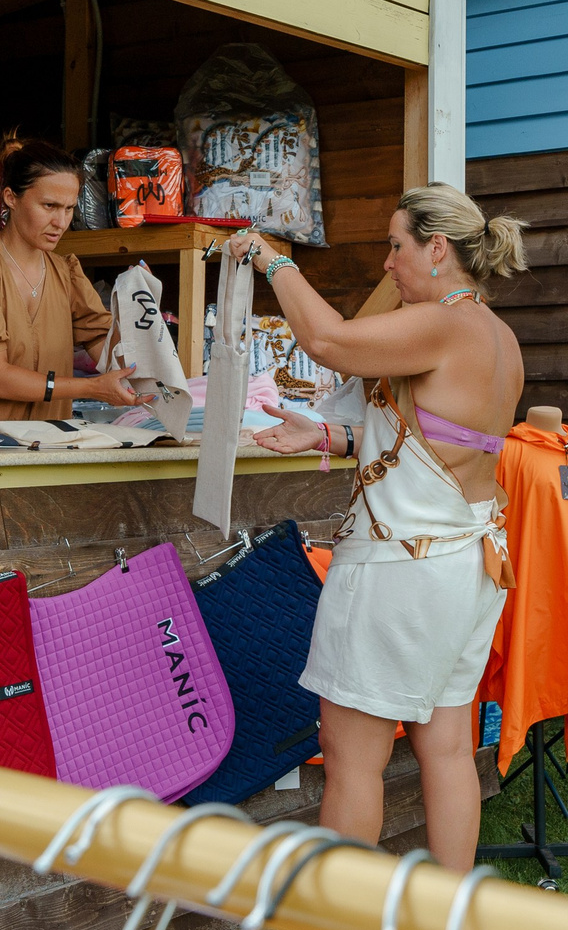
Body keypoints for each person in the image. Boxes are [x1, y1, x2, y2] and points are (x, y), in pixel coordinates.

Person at [225, 185, 526, 871]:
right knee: (446, 747)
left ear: (437, 249)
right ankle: (447, 924)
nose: (388, 265)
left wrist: (274, 263)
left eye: (396, 246)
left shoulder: (444, 322)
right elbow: (438, 440)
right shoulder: (495, 334)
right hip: (469, 565)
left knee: (352, 757)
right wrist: (328, 434)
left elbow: (328, 341)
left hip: (402, 571)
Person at [0, 136, 144, 435]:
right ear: (11, 197)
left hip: (40, 449)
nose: (61, 222)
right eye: (49, 205)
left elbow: (109, 351)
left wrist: (138, 308)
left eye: (69, 208)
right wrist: (91, 387)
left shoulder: (66, 272)